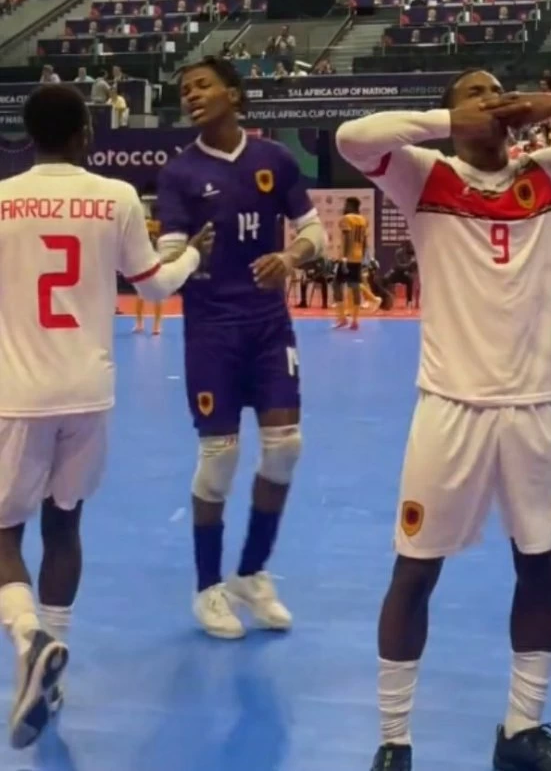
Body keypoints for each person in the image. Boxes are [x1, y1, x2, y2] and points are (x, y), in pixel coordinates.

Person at [336, 70, 551, 771]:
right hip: (450, 408)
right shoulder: (424, 177)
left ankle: (522, 730)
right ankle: (394, 740)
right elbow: (351, 138)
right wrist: (451, 124)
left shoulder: (548, 173)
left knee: (540, 566)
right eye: (473, 92)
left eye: (498, 92)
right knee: (414, 573)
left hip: (532, 409)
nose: (491, 99)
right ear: (450, 113)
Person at [0, 85, 212, 748]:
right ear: (87, 133)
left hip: (16, 391)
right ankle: (53, 661)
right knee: (66, 526)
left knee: (3, 534)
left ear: (27, 135)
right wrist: (197, 252)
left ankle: (29, 639)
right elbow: (153, 285)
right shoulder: (116, 197)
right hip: (89, 390)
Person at [156, 57, 326, 639]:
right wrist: (190, 254)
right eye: (185, 89)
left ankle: (251, 574)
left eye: (202, 84)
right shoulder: (179, 173)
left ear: (234, 92)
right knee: (221, 459)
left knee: (285, 448)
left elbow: (314, 233)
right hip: (211, 332)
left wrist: (291, 258)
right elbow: (168, 269)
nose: (192, 94)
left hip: (269, 328)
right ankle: (208, 589)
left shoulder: (273, 160)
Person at [334, 196, 369, 329]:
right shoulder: (363, 221)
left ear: (351, 206)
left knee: (337, 285)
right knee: (355, 288)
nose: (345, 207)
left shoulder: (346, 219)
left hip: (347, 258)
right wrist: (363, 257)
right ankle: (355, 321)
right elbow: (364, 242)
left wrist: (344, 257)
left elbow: (348, 238)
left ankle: (342, 318)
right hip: (358, 258)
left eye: (346, 204)